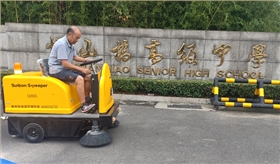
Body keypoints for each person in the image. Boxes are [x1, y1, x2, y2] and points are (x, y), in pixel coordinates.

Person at [48, 26, 95, 113]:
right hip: (57, 70)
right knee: (80, 79)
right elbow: (65, 63)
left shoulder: (70, 44)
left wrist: (86, 60)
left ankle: (87, 99)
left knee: (88, 77)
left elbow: (74, 56)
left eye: (79, 38)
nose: (77, 40)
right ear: (70, 34)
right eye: (76, 38)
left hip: (64, 69)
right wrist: (81, 69)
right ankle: (83, 106)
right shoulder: (61, 44)